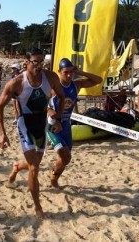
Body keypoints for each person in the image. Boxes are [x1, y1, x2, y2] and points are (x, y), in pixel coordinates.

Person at [0, 48, 65, 219]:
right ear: (26, 61)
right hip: (24, 123)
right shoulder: (17, 83)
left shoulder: (51, 78)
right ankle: (38, 208)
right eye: (36, 62)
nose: (39, 66)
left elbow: (62, 97)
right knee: (35, 167)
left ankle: (16, 167)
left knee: (36, 163)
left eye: (42, 62)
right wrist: (2, 133)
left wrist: (58, 120)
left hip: (41, 123)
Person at [46, 58, 102, 188]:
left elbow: (98, 80)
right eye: (66, 72)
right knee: (65, 157)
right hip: (53, 126)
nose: (69, 75)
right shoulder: (53, 87)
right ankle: (54, 179)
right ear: (59, 71)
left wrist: (81, 72)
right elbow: (39, 102)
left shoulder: (76, 85)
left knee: (66, 159)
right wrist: (49, 110)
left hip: (66, 125)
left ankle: (53, 176)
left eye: (72, 72)